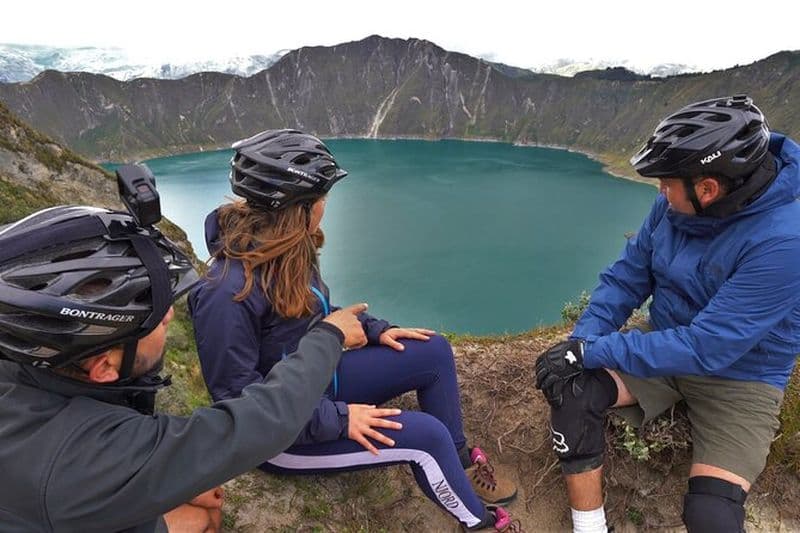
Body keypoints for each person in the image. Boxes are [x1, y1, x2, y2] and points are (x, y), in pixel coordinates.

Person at [188, 129, 521, 531]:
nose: (326, 206)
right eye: (321, 197)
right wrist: (338, 420)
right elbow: (242, 407)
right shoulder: (224, 292)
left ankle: (462, 465)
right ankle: (481, 524)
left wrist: (374, 329)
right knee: (425, 437)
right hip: (280, 439)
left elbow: (309, 313)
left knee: (432, 351)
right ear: (299, 207)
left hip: (317, 386)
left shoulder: (286, 246)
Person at [0, 204, 369, 532]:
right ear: (103, 366)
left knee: (198, 500)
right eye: (153, 319)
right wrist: (328, 337)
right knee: (201, 518)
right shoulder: (93, 457)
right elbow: (260, 422)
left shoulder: (22, 377)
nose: (170, 316)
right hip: (62, 498)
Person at [534, 95, 800, 533]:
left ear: (708, 187)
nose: (660, 192)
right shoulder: (679, 202)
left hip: (742, 377)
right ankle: (590, 527)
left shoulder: (784, 242)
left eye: (666, 183)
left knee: (712, 515)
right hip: (664, 341)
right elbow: (627, 278)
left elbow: (706, 348)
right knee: (573, 389)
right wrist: (579, 345)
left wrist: (595, 351)